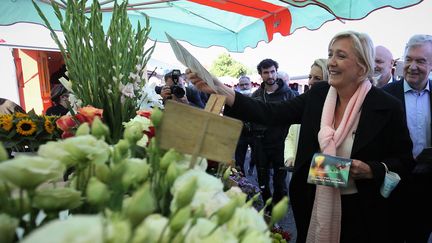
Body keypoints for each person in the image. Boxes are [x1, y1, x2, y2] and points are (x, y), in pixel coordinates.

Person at [187, 31, 414, 243]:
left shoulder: (387, 106)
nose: (331, 62)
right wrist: (223, 90)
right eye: (330, 54)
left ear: (362, 67)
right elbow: (271, 113)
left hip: (363, 210)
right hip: (313, 200)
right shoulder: (318, 94)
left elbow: (404, 160)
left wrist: (373, 169)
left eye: (340, 56)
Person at [383, 34, 432, 243]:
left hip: (428, 188)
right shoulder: (385, 95)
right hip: (392, 185)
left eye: (420, 61)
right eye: (409, 59)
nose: (412, 66)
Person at [244, 59, 297, 209]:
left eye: (272, 71)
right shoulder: (256, 95)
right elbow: (249, 118)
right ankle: (267, 205)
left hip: (282, 142)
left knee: (280, 179)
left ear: (276, 71)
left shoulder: (289, 94)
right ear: (261, 74)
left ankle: (279, 205)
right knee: (262, 177)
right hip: (261, 143)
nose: (270, 75)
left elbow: (295, 118)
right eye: (266, 72)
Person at [234, 76, 254, 174]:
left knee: (257, 157)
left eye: (246, 84)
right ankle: (241, 181)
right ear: (238, 86)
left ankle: (252, 167)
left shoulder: (256, 96)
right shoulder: (234, 98)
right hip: (240, 133)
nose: (244, 86)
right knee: (239, 160)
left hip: (255, 133)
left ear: (250, 85)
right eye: (242, 85)